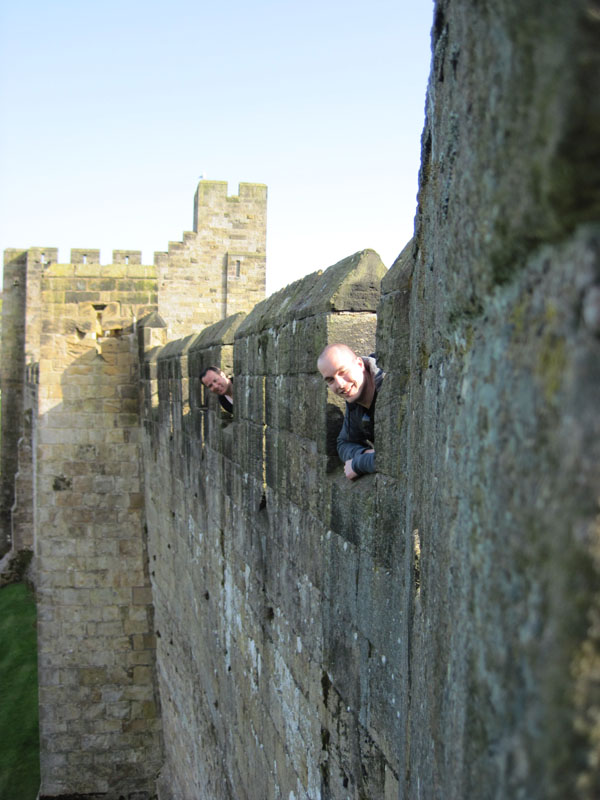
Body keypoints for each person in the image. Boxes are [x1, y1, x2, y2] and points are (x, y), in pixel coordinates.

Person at [317, 343, 384, 480]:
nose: (340, 384)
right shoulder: (354, 399)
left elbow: (393, 458)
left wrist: (358, 464)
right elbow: (344, 444)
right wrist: (365, 453)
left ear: (360, 364)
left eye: (343, 372)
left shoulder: (388, 387)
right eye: (330, 380)